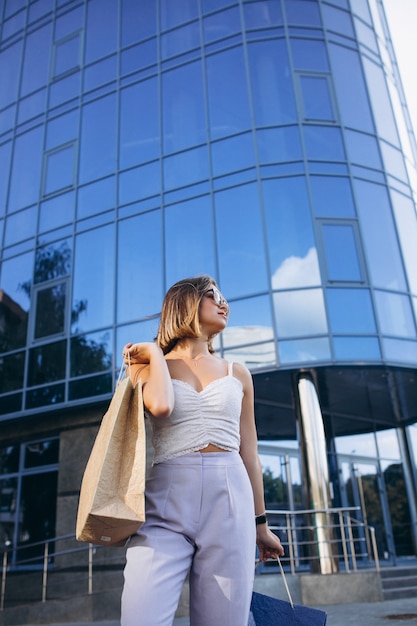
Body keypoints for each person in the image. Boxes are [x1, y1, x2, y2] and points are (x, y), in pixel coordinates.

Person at [120, 275, 284, 626]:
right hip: (165, 503)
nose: (224, 303)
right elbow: (161, 406)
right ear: (185, 303)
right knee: (140, 617)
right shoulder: (147, 365)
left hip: (231, 502)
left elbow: (249, 453)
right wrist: (153, 355)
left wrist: (261, 524)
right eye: (213, 295)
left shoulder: (237, 372)